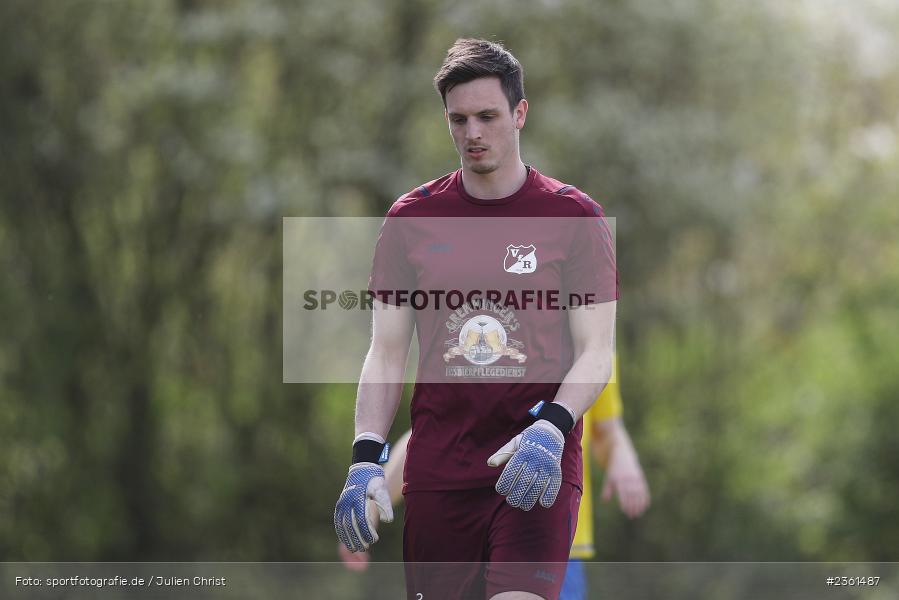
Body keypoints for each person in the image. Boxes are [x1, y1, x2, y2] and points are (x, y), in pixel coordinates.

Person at [334, 38, 618, 600]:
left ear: (520, 113)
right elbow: (385, 353)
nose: (473, 133)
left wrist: (552, 427)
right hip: (438, 475)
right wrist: (365, 456)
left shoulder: (574, 216)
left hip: (534, 467)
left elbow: (596, 351)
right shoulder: (411, 219)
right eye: (458, 120)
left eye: (487, 116)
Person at [337, 358, 650, 600]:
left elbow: (607, 430)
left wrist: (623, 459)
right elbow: (429, 435)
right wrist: (372, 501)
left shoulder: (590, 341)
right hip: (464, 528)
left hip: (552, 539)